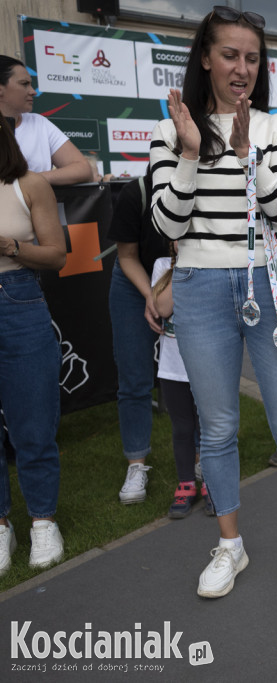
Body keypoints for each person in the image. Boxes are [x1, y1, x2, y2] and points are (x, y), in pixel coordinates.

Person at [148, 6, 277, 599]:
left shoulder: (276, 127)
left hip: (272, 284)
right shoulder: (171, 128)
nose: (242, 68)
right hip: (202, 288)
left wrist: (244, 159)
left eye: (252, 57)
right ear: (205, 57)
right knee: (219, 428)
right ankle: (230, 545)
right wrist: (188, 153)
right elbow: (166, 222)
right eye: (230, 55)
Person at [0, 116, 68, 576]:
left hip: (18, 301)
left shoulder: (29, 184)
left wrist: (8, 245)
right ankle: (1, 524)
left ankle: (43, 519)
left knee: (33, 422)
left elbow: (57, 254)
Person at [107, 170, 169, 505]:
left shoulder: (208, 187)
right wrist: (151, 295)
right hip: (135, 280)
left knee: (200, 374)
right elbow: (127, 256)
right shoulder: (138, 192)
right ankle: (136, 463)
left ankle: (205, 458)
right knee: (134, 377)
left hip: (189, 275)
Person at [150, 244, 211, 518]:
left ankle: (212, 482)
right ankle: (186, 483)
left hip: (208, 365)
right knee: (183, 428)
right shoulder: (163, 267)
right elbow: (163, 308)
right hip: (173, 368)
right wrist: (183, 266)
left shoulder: (213, 264)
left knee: (210, 427)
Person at [0, 56, 93, 185]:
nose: (33, 92)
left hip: (38, 205)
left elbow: (83, 169)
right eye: (24, 84)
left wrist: (31, 182)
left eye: (31, 84)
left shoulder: (39, 123)